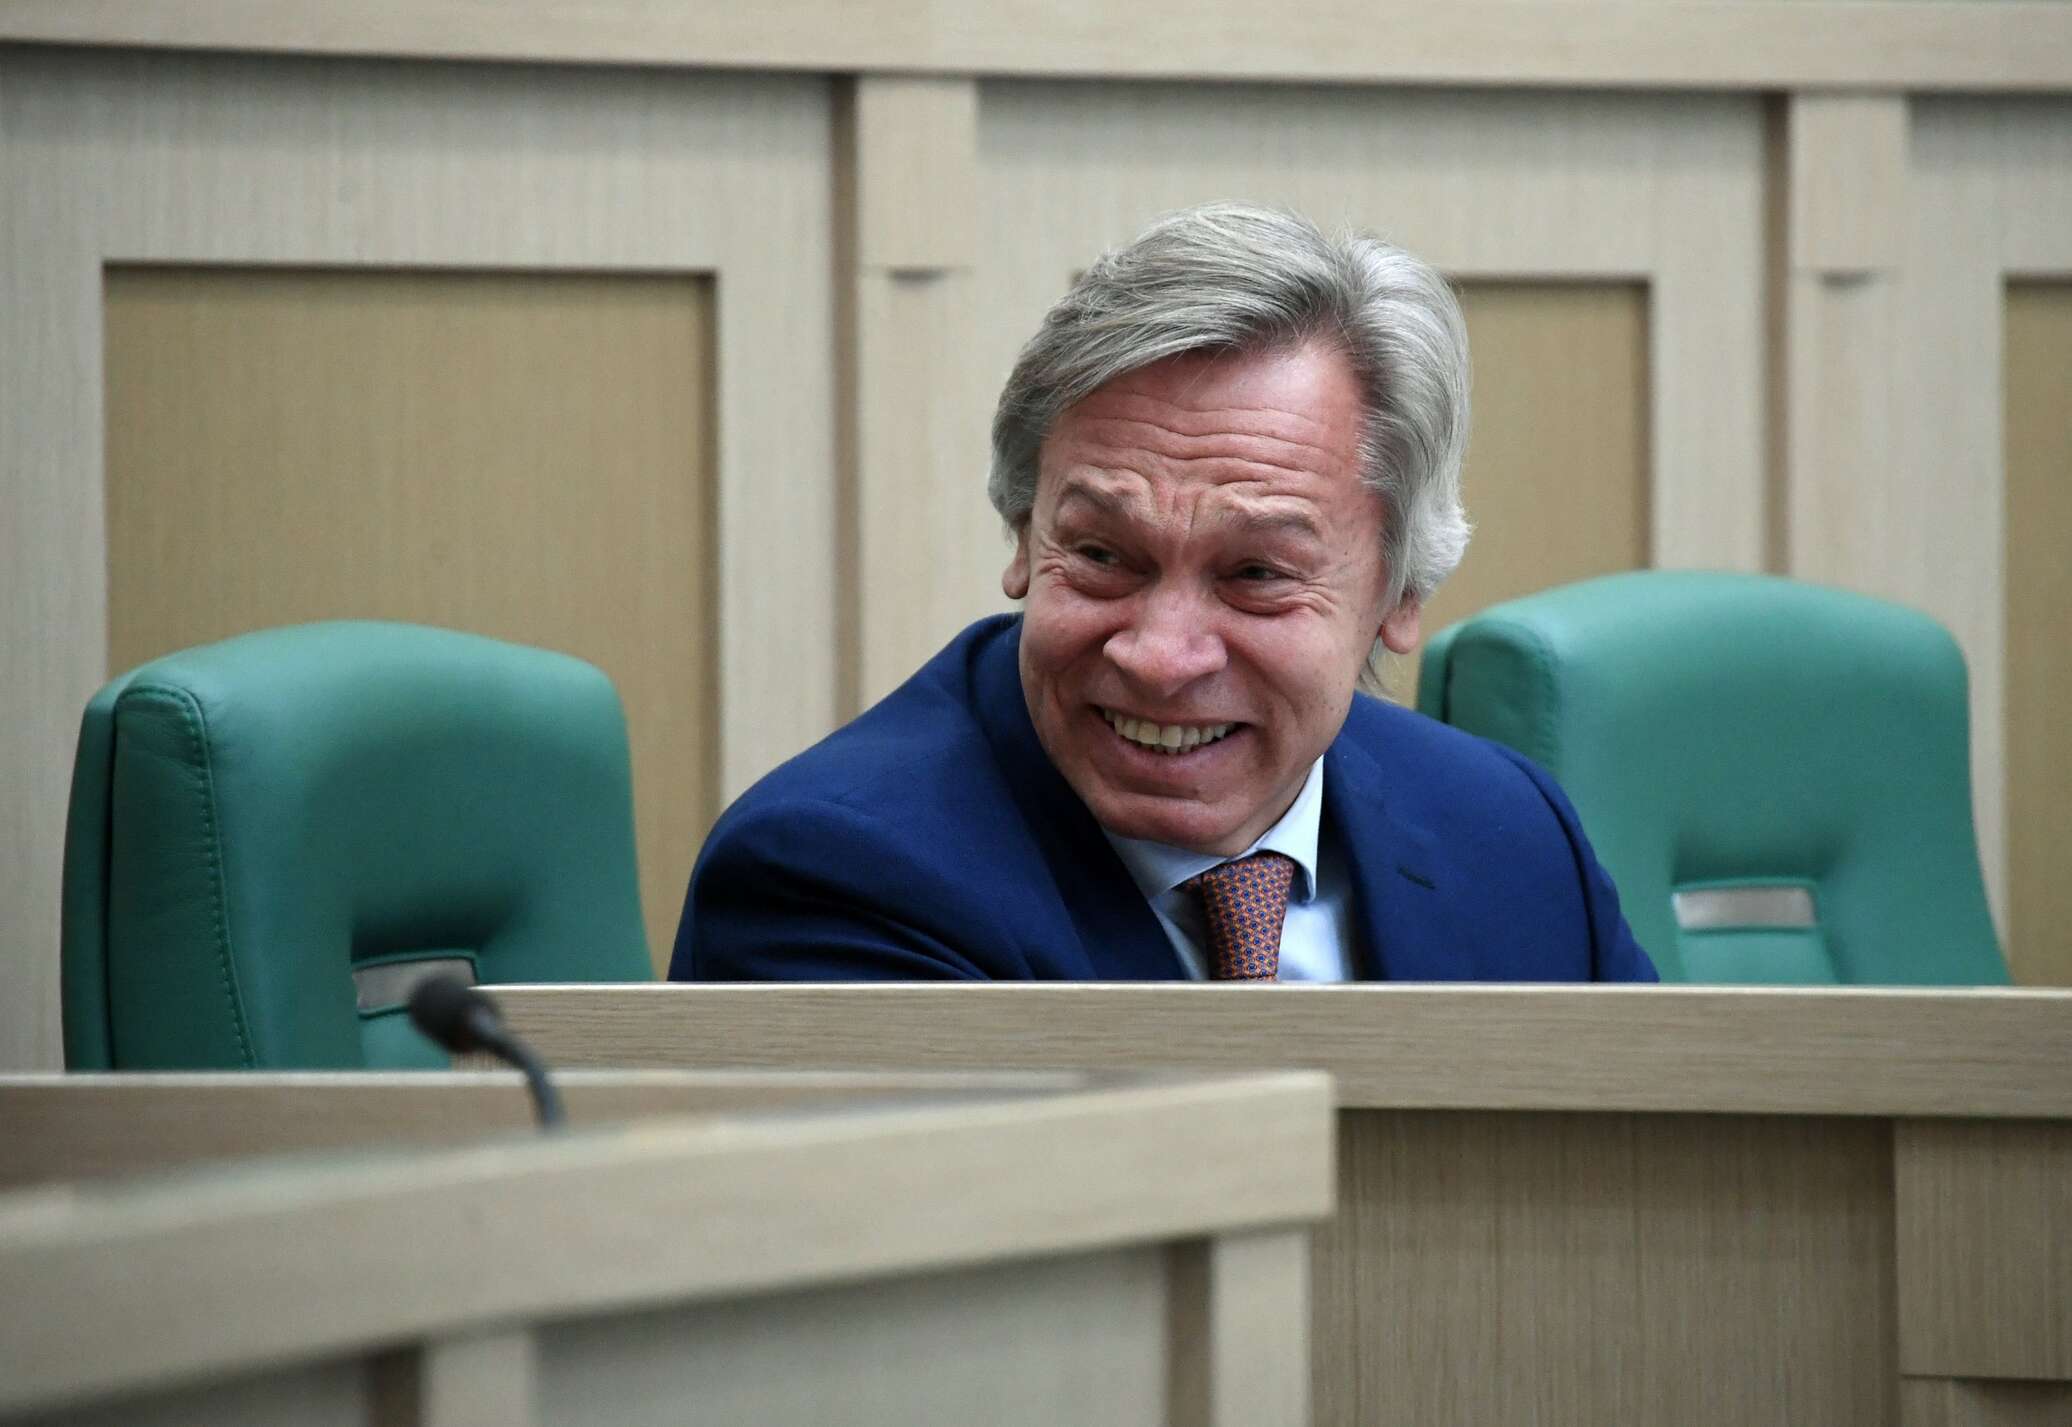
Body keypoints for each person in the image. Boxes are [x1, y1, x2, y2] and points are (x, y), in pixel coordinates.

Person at [671, 202, 1656, 983]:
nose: (1159, 655)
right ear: (1024, 538)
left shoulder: (1510, 836)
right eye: (1104, 555)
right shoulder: (834, 878)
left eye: (1254, 574)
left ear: (1400, 592)